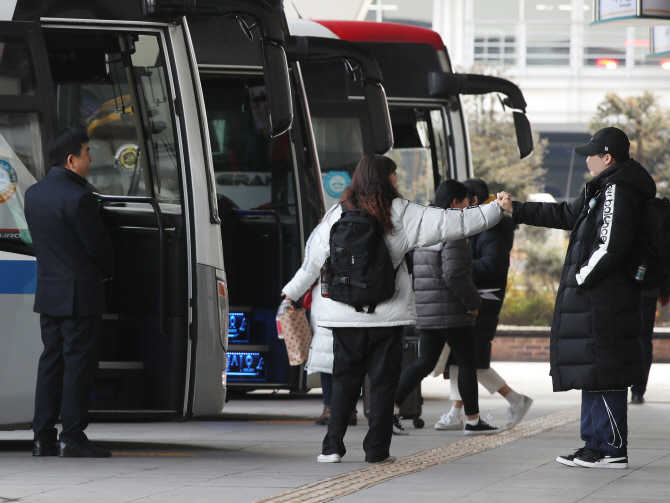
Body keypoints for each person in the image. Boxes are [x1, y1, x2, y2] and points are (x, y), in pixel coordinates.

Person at [281, 154, 512, 464]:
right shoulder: (401, 213)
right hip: (386, 315)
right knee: (383, 383)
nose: (397, 181)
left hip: (343, 314)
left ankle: (332, 447)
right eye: (393, 176)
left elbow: (312, 263)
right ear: (383, 179)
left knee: (344, 382)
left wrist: (290, 293)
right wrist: (496, 209)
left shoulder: (337, 213)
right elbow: (451, 222)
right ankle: (376, 450)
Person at [511, 127, 654, 469]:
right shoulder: (602, 188)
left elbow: (610, 246)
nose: (586, 159)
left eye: (591, 154)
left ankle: (611, 448)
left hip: (606, 297)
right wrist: (514, 209)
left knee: (606, 370)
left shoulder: (618, 190)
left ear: (607, 157)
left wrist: (582, 277)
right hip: (598, 296)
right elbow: (563, 214)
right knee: (594, 370)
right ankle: (594, 444)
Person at [25, 128, 114, 458]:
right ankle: (73, 437)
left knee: (50, 362)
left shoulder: (33, 194)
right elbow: (98, 247)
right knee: (78, 365)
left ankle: (42, 437)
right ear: (71, 159)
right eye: (87, 152)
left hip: (49, 290)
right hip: (80, 294)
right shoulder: (79, 198)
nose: (91, 159)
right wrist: (107, 271)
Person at [392, 180, 502, 437]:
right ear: (455, 202)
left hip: (429, 309)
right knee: (467, 363)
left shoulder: (425, 225)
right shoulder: (452, 228)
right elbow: (454, 274)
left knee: (424, 362)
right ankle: (473, 421)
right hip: (452, 311)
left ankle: (389, 409)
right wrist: (473, 303)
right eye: (465, 201)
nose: (468, 205)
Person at [438, 178, 532, 431]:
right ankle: (457, 412)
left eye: (465, 200)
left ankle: (515, 399)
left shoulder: (489, 231)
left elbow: (493, 266)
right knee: (461, 359)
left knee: (472, 361)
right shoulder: (477, 229)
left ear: (475, 202)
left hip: (484, 301)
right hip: (473, 299)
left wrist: (459, 268)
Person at [631, 282, 670, 404]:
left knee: (618, 338)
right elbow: (663, 264)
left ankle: (614, 388)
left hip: (621, 290)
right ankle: (638, 391)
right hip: (648, 288)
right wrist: (664, 291)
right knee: (644, 339)